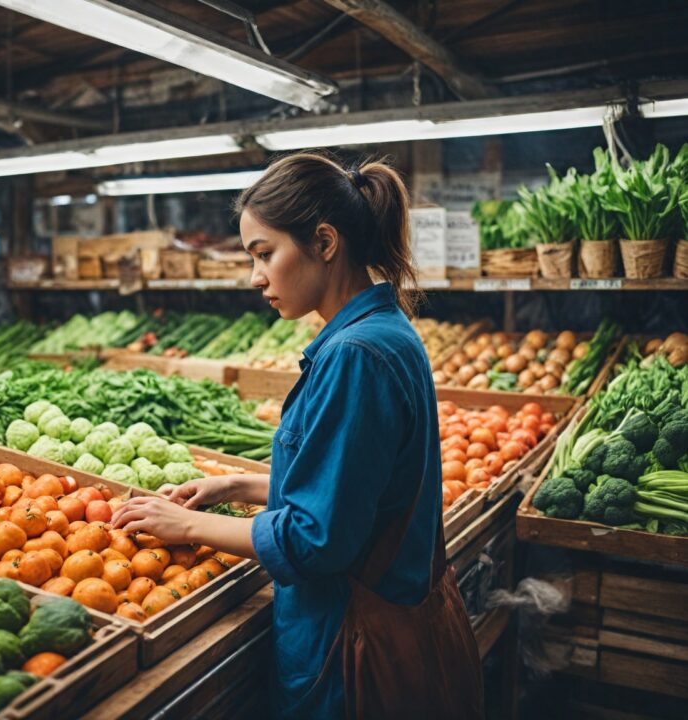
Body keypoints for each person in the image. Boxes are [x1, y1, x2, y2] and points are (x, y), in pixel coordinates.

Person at [111, 152, 482, 719]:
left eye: (265, 254)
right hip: (377, 622)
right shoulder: (384, 331)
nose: (255, 276)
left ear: (325, 242)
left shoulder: (355, 356)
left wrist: (186, 525)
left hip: (347, 652)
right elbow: (355, 491)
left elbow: (316, 540)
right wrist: (237, 485)